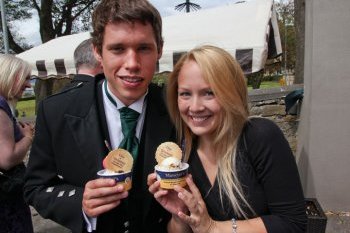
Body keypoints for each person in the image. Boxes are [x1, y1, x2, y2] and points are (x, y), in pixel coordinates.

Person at [24, 0, 175, 232]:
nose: (132, 64)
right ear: (97, 51)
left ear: (159, 50)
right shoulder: (56, 111)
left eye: (144, 48)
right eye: (118, 49)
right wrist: (80, 203)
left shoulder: (180, 109)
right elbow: (36, 187)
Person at [148, 45, 307, 233]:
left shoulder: (260, 137)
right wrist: (180, 214)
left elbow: (292, 224)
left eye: (209, 93)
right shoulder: (181, 156)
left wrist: (213, 228)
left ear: (231, 93)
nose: (195, 106)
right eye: (185, 94)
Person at [0, 54, 34, 232]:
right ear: (9, 75)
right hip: (7, 205)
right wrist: (28, 136)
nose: (28, 84)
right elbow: (7, 159)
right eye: (25, 78)